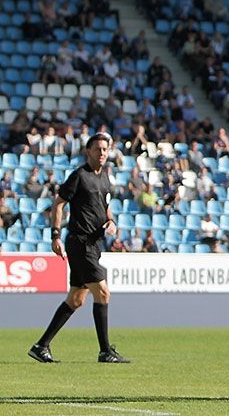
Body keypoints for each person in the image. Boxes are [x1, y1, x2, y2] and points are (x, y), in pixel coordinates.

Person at [29, 133, 129, 364]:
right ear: (88, 151)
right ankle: (105, 351)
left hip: (95, 243)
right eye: (98, 149)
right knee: (102, 292)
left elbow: (106, 207)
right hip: (80, 243)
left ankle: (41, 346)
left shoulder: (104, 177)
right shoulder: (79, 176)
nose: (102, 153)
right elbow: (59, 203)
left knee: (76, 299)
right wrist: (55, 235)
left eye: (105, 149)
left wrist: (111, 221)